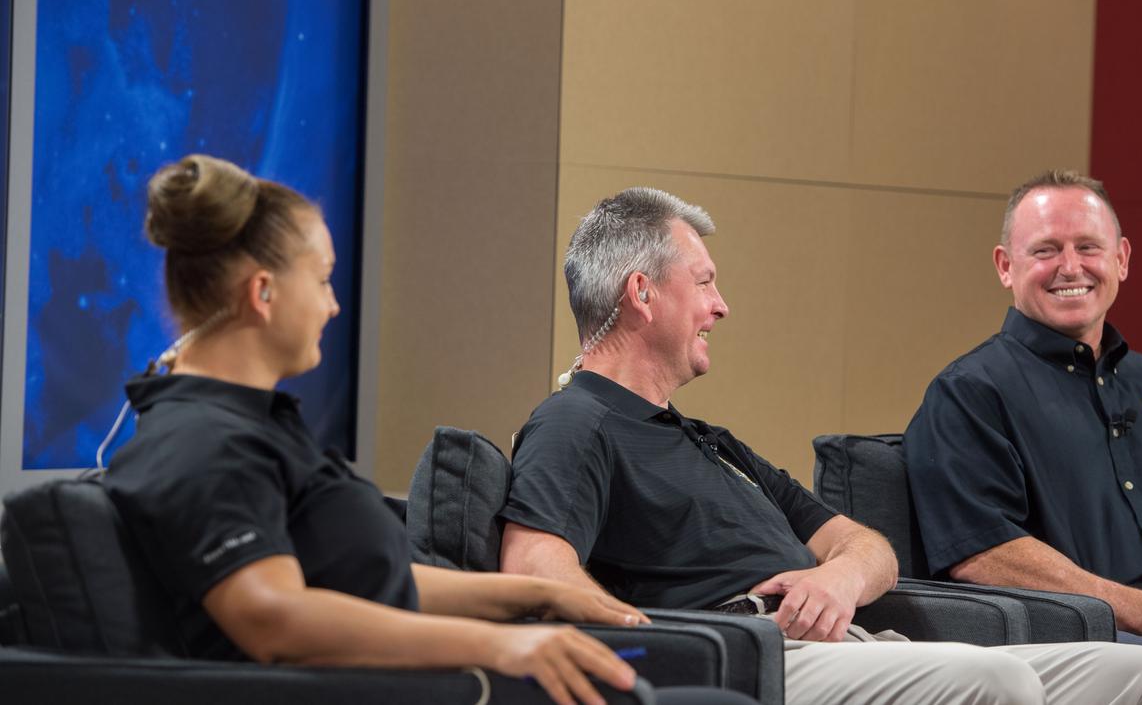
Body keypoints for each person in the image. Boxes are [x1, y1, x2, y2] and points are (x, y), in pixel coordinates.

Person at [104, 155, 757, 705]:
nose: (333, 304)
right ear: (263, 292)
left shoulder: (252, 429)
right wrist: (501, 644)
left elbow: (382, 581)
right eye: (324, 280)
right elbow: (276, 618)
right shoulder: (202, 442)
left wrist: (539, 594)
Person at [499, 186, 1142, 705]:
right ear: (642, 293)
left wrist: (837, 578)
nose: (721, 305)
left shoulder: (713, 443)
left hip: (850, 641)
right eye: (703, 282)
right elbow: (533, 567)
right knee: (1000, 682)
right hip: (748, 655)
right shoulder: (575, 421)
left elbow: (868, 546)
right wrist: (656, 642)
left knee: (1136, 671)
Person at [903, 169, 1142, 698]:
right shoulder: (969, 392)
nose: (1070, 267)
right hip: (1096, 653)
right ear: (1006, 267)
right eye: (1046, 250)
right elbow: (983, 553)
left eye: (1088, 247)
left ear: (1121, 259)